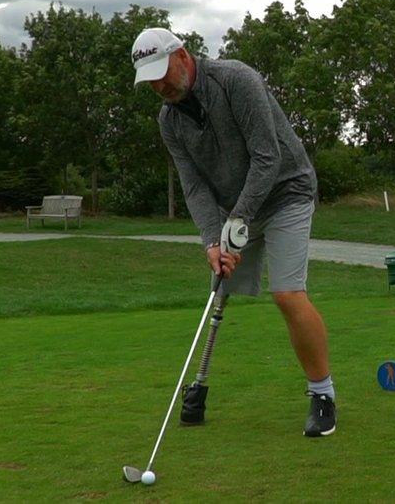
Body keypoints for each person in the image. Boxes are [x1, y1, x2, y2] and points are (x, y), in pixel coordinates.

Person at [130, 27, 336, 437]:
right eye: (149, 78)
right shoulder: (169, 120)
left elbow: (267, 156)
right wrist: (212, 240)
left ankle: (322, 394)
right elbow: (194, 186)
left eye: (162, 72)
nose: (159, 84)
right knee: (219, 291)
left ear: (183, 56)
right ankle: (198, 388)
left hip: (286, 191)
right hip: (234, 208)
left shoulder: (236, 80)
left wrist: (237, 220)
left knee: (287, 292)